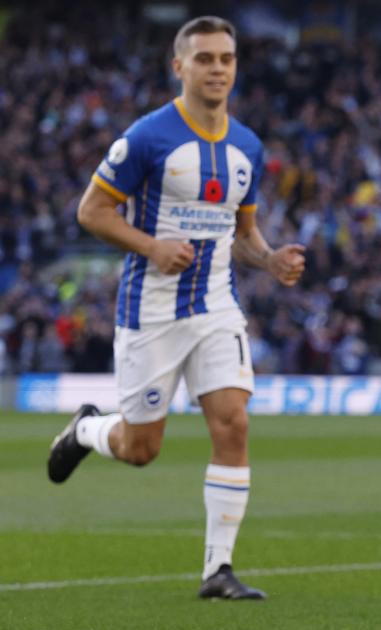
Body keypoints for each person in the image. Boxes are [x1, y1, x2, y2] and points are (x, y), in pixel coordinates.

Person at [46, 16, 305, 599]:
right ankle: (88, 428)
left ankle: (218, 569)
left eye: (226, 59)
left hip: (217, 306)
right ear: (179, 66)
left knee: (233, 423)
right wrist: (152, 246)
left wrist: (270, 261)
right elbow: (91, 211)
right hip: (151, 310)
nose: (218, 68)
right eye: (206, 58)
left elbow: (240, 234)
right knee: (141, 449)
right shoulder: (147, 138)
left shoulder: (247, 147)